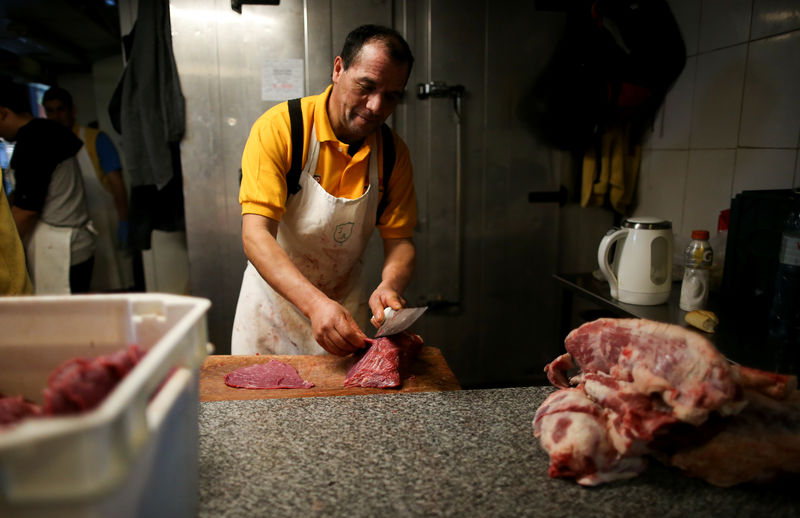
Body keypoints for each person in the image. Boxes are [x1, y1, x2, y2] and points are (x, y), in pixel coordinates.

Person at [232, 24, 417, 356]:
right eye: (367, 86)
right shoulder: (283, 129)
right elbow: (256, 235)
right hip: (271, 311)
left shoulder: (392, 153)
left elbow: (400, 241)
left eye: (392, 96)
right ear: (338, 69)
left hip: (344, 310)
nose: (376, 106)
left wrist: (390, 285)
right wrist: (315, 304)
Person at [0, 79, 95, 294]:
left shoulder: (33, 142)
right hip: (74, 243)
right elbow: (28, 188)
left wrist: (3, 246)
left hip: (60, 250)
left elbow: (27, 212)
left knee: (62, 322)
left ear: (3, 113)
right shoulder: (47, 130)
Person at [42, 86, 132, 292]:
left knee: (112, 283)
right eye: (50, 111)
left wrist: (124, 219)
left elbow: (117, 183)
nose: (56, 116)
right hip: (73, 231)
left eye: (60, 109)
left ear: (73, 110)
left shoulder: (95, 139)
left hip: (104, 223)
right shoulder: (46, 144)